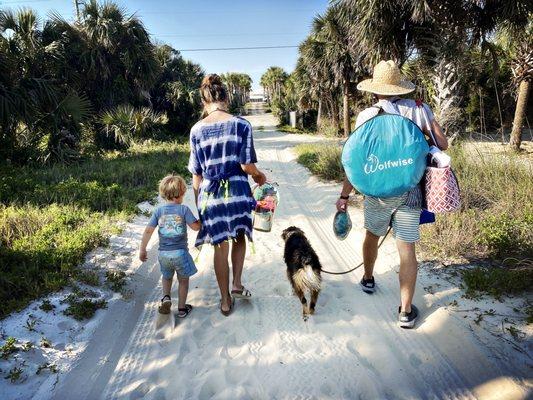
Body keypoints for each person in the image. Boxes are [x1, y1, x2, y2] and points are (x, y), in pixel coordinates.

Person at [336, 60, 448, 328]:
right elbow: (442, 144)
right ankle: (406, 311)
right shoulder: (420, 110)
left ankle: (368, 278)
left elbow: (355, 161)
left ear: (375, 89)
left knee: (372, 235)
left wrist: (344, 195)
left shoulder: (365, 116)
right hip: (410, 190)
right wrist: (425, 131)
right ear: (401, 87)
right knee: (406, 247)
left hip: (377, 191)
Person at [188, 74, 267, 316]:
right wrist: (259, 176)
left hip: (210, 196)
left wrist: (199, 204)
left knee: (219, 245)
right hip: (237, 192)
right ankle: (237, 283)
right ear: (225, 98)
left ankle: (224, 300)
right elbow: (246, 166)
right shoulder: (242, 125)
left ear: (205, 101)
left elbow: (197, 175)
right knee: (240, 236)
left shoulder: (196, 130)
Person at [139, 174, 201, 317]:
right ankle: (181, 308)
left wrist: (142, 249)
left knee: (166, 277)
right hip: (180, 253)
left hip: (163, 254)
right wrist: (201, 221)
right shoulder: (184, 210)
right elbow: (195, 227)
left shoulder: (158, 211)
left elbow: (148, 230)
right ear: (181, 193)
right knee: (183, 281)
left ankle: (166, 297)